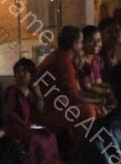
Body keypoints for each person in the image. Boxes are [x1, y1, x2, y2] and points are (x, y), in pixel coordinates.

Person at [36, 27, 107, 156]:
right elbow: (74, 97)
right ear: (74, 45)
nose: (82, 46)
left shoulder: (61, 57)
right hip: (50, 111)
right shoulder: (63, 61)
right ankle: (76, 153)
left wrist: (98, 100)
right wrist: (98, 101)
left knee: (95, 109)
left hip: (58, 106)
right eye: (81, 42)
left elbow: (75, 92)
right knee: (89, 111)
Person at [4, 58, 61, 164]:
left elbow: (40, 109)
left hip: (29, 124)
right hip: (15, 125)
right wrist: (22, 122)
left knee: (49, 134)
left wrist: (38, 93)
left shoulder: (31, 91)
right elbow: (9, 111)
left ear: (31, 74)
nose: (21, 74)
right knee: (33, 138)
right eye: (18, 71)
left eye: (24, 71)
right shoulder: (13, 91)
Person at [77, 27, 111, 99]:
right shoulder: (80, 61)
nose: (96, 44)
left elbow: (98, 83)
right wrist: (109, 91)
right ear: (83, 42)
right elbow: (87, 88)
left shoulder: (97, 60)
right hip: (83, 98)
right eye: (91, 40)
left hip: (93, 97)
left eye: (99, 40)